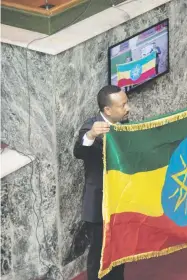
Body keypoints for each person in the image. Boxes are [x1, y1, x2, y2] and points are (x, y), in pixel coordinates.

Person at [74, 85, 130, 280]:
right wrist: (90, 135)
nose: (127, 108)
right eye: (123, 105)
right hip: (99, 203)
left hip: (119, 200)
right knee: (99, 255)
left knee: (119, 250)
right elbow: (79, 152)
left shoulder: (123, 121)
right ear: (108, 110)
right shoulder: (91, 127)